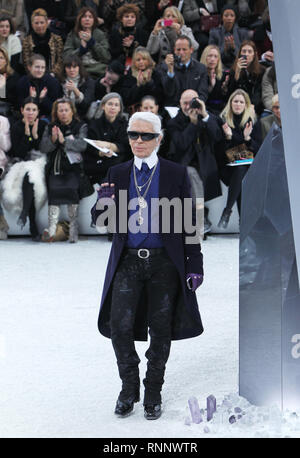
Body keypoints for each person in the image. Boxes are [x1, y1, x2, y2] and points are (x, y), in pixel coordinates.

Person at [91, 111, 204, 420]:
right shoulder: (117, 172)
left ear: (159, 139)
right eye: (132, 135)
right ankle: (129, 389)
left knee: (161, 330)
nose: (138, 141)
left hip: (164, 263)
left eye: (145, 136)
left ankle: (153, 390)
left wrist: (195, 262)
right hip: (127, 261)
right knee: (120, 327)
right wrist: (102, 204)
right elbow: (103, 223)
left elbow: (189, 223)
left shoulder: (175, 173)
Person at [167, 89, 221, 235]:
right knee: (190, 174)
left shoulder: (207, 117)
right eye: (185, 103)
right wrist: (192, 124)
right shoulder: (173, 122)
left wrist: (204, 116)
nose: (188, 106)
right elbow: (182, 143)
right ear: (179, 103)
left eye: (191, 102)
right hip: (183, 163)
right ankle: (200, 220)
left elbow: (217, 136)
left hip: (206, 164)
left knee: (193, 175)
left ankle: (199, 218)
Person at [40, 98, 88, 243]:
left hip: (74, 169)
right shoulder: (50, 126)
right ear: (56, 112)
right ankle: (52, 229)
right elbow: (43, 148)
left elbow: (82, 145)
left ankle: (73, 229)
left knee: (72, 194)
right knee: (54, 193)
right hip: (56, 167)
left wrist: (64, 141)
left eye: (66, 110)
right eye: (60, 110)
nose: (63, 113)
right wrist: (54, 139)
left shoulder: (80, 126)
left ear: (72, 111)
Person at [1, 97, 48, 241]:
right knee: (28, 174)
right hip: (19, 163)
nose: (30, 113)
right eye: (28, 109)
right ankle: (31, 221)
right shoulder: (16, 127)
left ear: (38, 112)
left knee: (31, 175)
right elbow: (19, 153)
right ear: (22, 110)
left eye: (34, 110)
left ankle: (27, 215)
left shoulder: (42, 126)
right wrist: (27, 136)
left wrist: (34, 136)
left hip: (40, 162)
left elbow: (43, 149)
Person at [214, 88, 262, 228]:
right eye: (235, 101)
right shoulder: (222, 120)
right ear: (230, 103)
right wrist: (229, 137)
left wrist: (247, 138)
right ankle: (242, 223)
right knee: (242, 172)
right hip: (226, 167)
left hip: (244, 167)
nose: (238, 104)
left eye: (241, 102)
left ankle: (227, 212)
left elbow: (258, 149)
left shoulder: (252, 122)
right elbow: (219, 150)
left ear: (246, 105)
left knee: (242, 171)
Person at [85, 92, 131, 184]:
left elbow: (126, 145)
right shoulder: (94, 124)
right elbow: (89, 147)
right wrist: (100, 153)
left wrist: (108, 145)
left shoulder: (125, 125)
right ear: (103, 106)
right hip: (98, 165)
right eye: (110, 104)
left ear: (119, 109)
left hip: (118, 164)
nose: (113, 107)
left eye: (116, 105)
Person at [158, 35, 208, 106]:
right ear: (174, 50)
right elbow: (168, 93)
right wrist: (170, 71)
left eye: (184, 49)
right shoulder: (165, 66)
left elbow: (203, 94)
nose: (181, 52)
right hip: (173, 107)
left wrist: (194, 106)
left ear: (191, 50)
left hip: (193, 107)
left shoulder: (201, 69)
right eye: (178, 50)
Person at [64, 6, 111, 79]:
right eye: (84, 16)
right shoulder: (72, 34)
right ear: (79, 19)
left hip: (98, 70)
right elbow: (66, 57)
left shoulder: (100, 34)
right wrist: (81, 50)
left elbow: (106, 57)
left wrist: (92, 42)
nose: (87, 19)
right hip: (78, 70)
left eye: (90, 17)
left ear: (94, 20)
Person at [16, 54, 62, 119]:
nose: (40, 70)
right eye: (37, 67)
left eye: (43, 67)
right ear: (29, 67)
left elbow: (55, 109)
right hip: (27, 117)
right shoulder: (22, 82)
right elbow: (19, 106)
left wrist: (43, 99)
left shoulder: (52, 82)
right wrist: (31, 98)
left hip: (47, 116)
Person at [22, 8, 64, 78]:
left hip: (53, 76)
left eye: (42, 22)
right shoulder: (26, 41)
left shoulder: (57, 39)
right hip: (33, 75)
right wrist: (36, 74)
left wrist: (52, 74)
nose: (39, 26)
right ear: (32, 24)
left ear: (47, 23)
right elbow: (26, 63)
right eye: (36, 23)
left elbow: (60, 61)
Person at [227, 40, 265, 115]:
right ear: (240, 53)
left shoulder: (262, 71)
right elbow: (231, 93)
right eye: (244, 51)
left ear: (254, 54)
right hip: (238, 105)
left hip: (254, 107)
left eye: (249, 52)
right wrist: (237, 73)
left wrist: (252, 106)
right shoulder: (234, 70)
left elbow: (258, 92)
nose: (246, 54)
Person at [208, 4, 249, 69]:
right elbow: (211, 55)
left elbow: (245, 56)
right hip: (219, 66)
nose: (229, 18)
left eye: (232, 15)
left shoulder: (243, 32)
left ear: (235, 18)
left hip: (239, 65)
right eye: (226, 15)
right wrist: (224, 49)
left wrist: (234, 48)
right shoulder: (214, 33)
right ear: (222, 17)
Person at [109, 3, 148, 68]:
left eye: (132, 17)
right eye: (126, 16)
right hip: (118, 64)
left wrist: (132, 46)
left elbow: (145, 53)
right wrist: (124, 47)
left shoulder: (142, 33)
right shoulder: (115, 33)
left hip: (138, 64)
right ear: (121, 19)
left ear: (136, 19)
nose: (129, 19)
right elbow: (112, 52)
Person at [59, 55, 95, 119]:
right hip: (63, 115)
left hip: (82, 116)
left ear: (79, 68)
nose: (71, 70)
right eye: (68, 67)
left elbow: (86, 104)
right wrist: (68, 94)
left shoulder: (88, 82)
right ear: (64, 69)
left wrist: (75, 90)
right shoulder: (59, 81)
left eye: (74, 67)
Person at [200, 44, 229, 115]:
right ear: (204, 57)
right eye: (210, 56)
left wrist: (224, 90)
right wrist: (211, 87)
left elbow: (225, 98)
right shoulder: (199, 75)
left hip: (221, 110)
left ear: (218, 59)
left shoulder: (223, 75)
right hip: (204, 109)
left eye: (215, 56)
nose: (212, 59)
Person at [0, 46, 20, 112]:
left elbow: (14, 101)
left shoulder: (14, 76)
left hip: (6, 112)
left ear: (6, 61)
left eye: (1, 58)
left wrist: (2, 88)